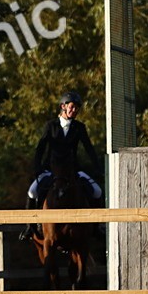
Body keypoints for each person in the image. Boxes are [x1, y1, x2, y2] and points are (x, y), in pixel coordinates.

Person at [20, 90, 104, 241]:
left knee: (97, 191)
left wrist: (98, 168)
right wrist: (37, 167)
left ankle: (96, 227)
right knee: (32, 192)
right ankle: (29, 227)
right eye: (72, 107)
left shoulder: (79, 127)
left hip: (72, 170)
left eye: (77, 108)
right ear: (63, 106)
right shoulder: (50, 126)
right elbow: (40, 148)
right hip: (50, 170)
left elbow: (89, 148)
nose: (75, 110)